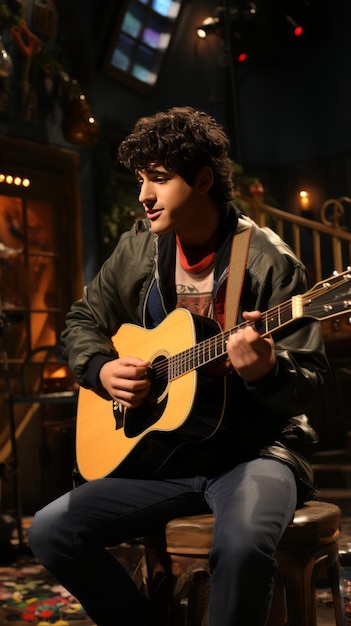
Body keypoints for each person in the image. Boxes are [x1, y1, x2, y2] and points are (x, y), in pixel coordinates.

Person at [28, 106, 330, 626]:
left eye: (159, 180)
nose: (143, 195)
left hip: (255, 453)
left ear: (204, 179)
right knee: (52, 531)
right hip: (166, 457)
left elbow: (315, 386)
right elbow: (80, 320)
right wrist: (101, 369)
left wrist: (266, 373)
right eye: (140, 180)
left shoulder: (267, 260)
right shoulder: (139, 250)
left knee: (239, 549)